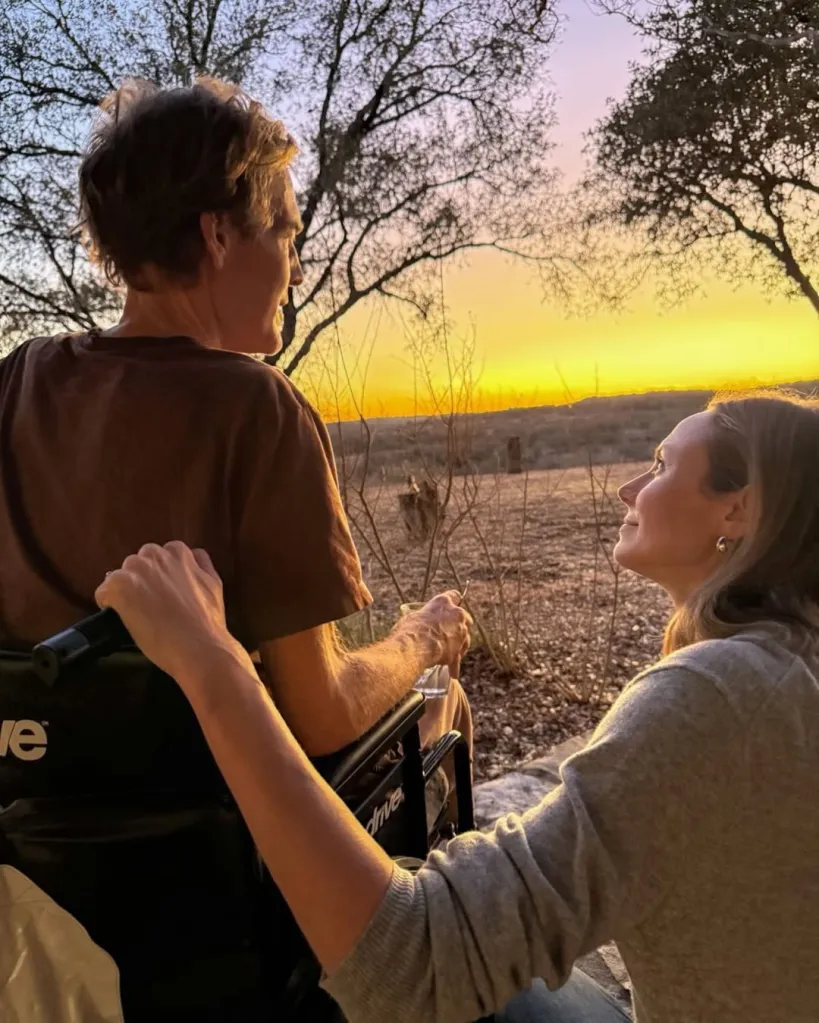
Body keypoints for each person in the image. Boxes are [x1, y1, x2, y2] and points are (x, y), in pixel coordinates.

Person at [97, 388, 819, 1023]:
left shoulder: (719, 695)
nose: (628, 488)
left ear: (739, 506)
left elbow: (414, 968)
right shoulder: (785, 667)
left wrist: (213, 664)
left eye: (660, 465)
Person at [0, 76, 472, 759]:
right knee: (443, 700)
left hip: (32, 812)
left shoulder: (18, 377)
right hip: (218, 823)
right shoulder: (258, 407)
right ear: (217, 234)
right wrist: (421, 636)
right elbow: (324, 712)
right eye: (285, 233)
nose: (297, 270)